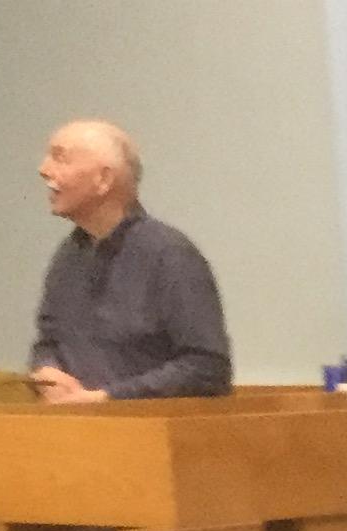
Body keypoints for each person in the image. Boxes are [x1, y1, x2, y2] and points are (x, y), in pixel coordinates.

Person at [27, 121, 232, 402]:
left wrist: (107, 398)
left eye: (60, 158)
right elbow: (49, 341)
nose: (44, 169)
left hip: (144, 427)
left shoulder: (170, 255)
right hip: (71, 425)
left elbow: (207, 369)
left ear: (103, 180)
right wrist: (47, 370)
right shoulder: (68, 257)